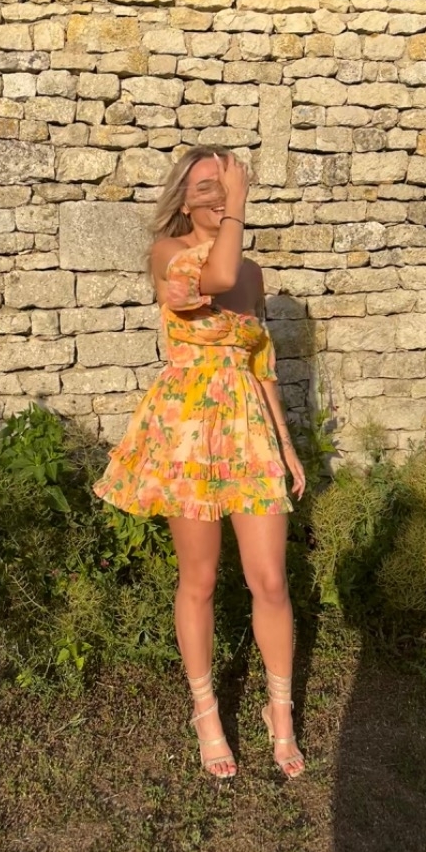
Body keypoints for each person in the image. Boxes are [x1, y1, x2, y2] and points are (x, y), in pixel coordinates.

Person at [94, 146, 306, 779]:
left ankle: (280, 713)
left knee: (270, 580)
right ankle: (206, 713)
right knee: (201, 579)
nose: (219, 195)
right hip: (187, 432)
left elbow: (260, 363)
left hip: (248, 431)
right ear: (184, 201)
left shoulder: (253, 274)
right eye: (207, 186)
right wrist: (238, 205)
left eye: (226, 184)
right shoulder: (168, 253)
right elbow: (213, 279)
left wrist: (285, 443)